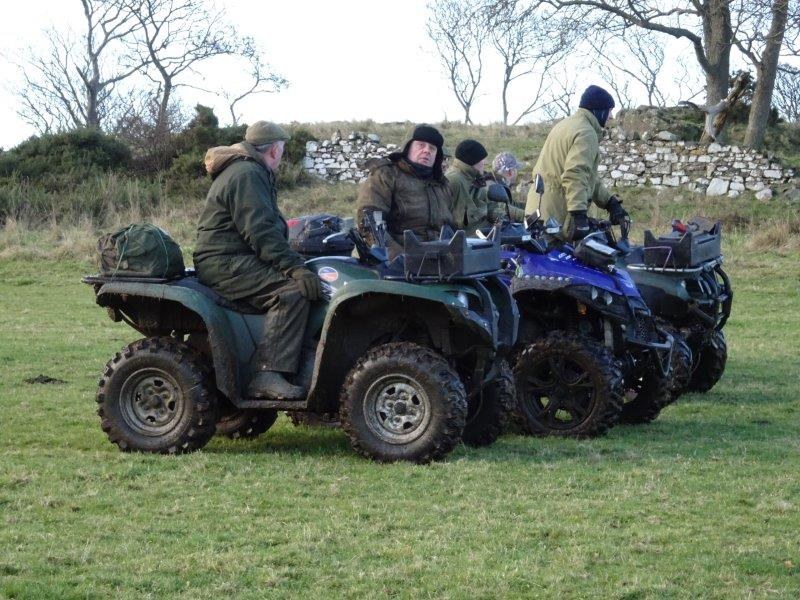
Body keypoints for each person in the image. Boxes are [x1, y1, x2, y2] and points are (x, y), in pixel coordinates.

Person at [193, 121, 321, 400]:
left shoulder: (249, 170)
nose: (282, 154)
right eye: (282, 149)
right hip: (225, 262)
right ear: (274, 150)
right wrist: (295, 268)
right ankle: (267, 374)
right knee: (291, 292)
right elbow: (261, 232)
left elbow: (264, 230)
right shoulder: (248, 173)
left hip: (233, 258)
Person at [525, 85, 629, 241]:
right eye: (609, 111)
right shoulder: (586, 132)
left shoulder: (565, 125)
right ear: (599, 110)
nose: (611, 117)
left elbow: (587, 176)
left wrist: (610, 201)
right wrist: (578, 213)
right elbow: (575, 174)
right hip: (555, 216)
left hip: (538, 210)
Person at [356, 124, 454, 258]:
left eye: (432, 148)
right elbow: (371, 224)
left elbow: (452, 228)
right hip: (401, 261)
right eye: (421, 145)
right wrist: (398, 258)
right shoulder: (386, 175)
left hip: (442, 261)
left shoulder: (442, 184)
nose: (427, 151)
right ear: (408, 148)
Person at [447, 140, 525, 232]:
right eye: (482, 159)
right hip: (470, 238)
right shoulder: (453, 180)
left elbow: (490, 207)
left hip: (482, 235)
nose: (484, 163)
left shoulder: (473, 179)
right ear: (474, 161)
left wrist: (524, 216)